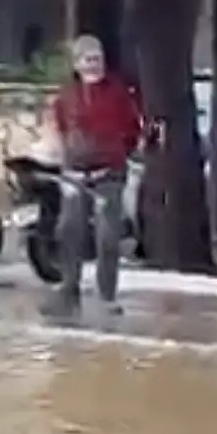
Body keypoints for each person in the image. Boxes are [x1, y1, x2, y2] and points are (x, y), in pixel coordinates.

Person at [50, 34, 142, 317]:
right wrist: (69, 156)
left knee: (107, 236)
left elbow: (133, 128)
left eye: (98, 59)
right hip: (75, 174)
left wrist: (117, 152)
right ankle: (69, 290)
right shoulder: (66, 96)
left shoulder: (118, 93)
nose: (94, 65)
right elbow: (61, 128)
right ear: (77, 64)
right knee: (69, 230)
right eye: (88, 60)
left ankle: (106, 295)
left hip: (109, 174)